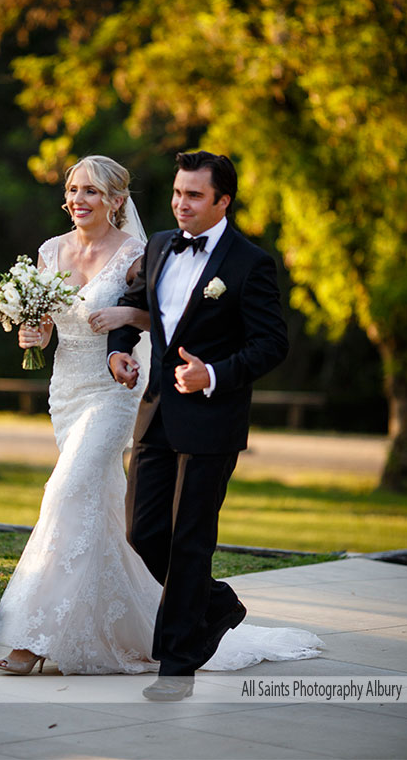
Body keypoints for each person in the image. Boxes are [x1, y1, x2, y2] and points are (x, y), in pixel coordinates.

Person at [0, 153, 322, 680]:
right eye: (74, 189)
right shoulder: (60, 250)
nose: (79, 199)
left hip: (117, 397)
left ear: (117, 200)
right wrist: (36, 333)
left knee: (65, 493)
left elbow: (166, 315)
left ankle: (36, 636)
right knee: (112, 521)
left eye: (92, 191)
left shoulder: (166, 251)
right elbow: (84, 318)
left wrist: (180, 356)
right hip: (69, 392)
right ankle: (138, 623)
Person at [108, 150, 292, 701]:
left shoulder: (249, 263)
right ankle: (217, 606)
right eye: (176, 193)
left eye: (193, 195)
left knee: (190, 540)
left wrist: (213, 373)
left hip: (213, 419)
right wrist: (119, 349)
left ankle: (177, 665)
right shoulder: (161, 244)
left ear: (222, 201)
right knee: (143, 535)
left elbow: (271, 343)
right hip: (156, 414)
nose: (180, 204)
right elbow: (133, 302)